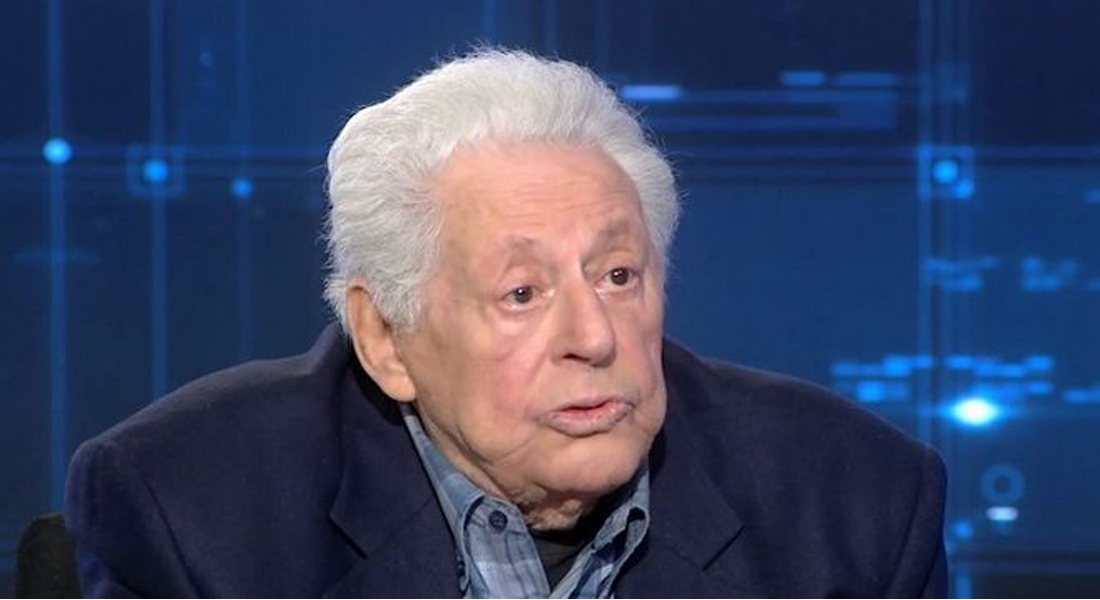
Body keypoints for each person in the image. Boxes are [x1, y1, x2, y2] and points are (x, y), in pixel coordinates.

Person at [65, 49, 947, 598]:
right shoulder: (187, 511)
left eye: (617, 276)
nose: (594, 338)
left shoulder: (857, 503)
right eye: (522, 293)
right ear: (386, 338)